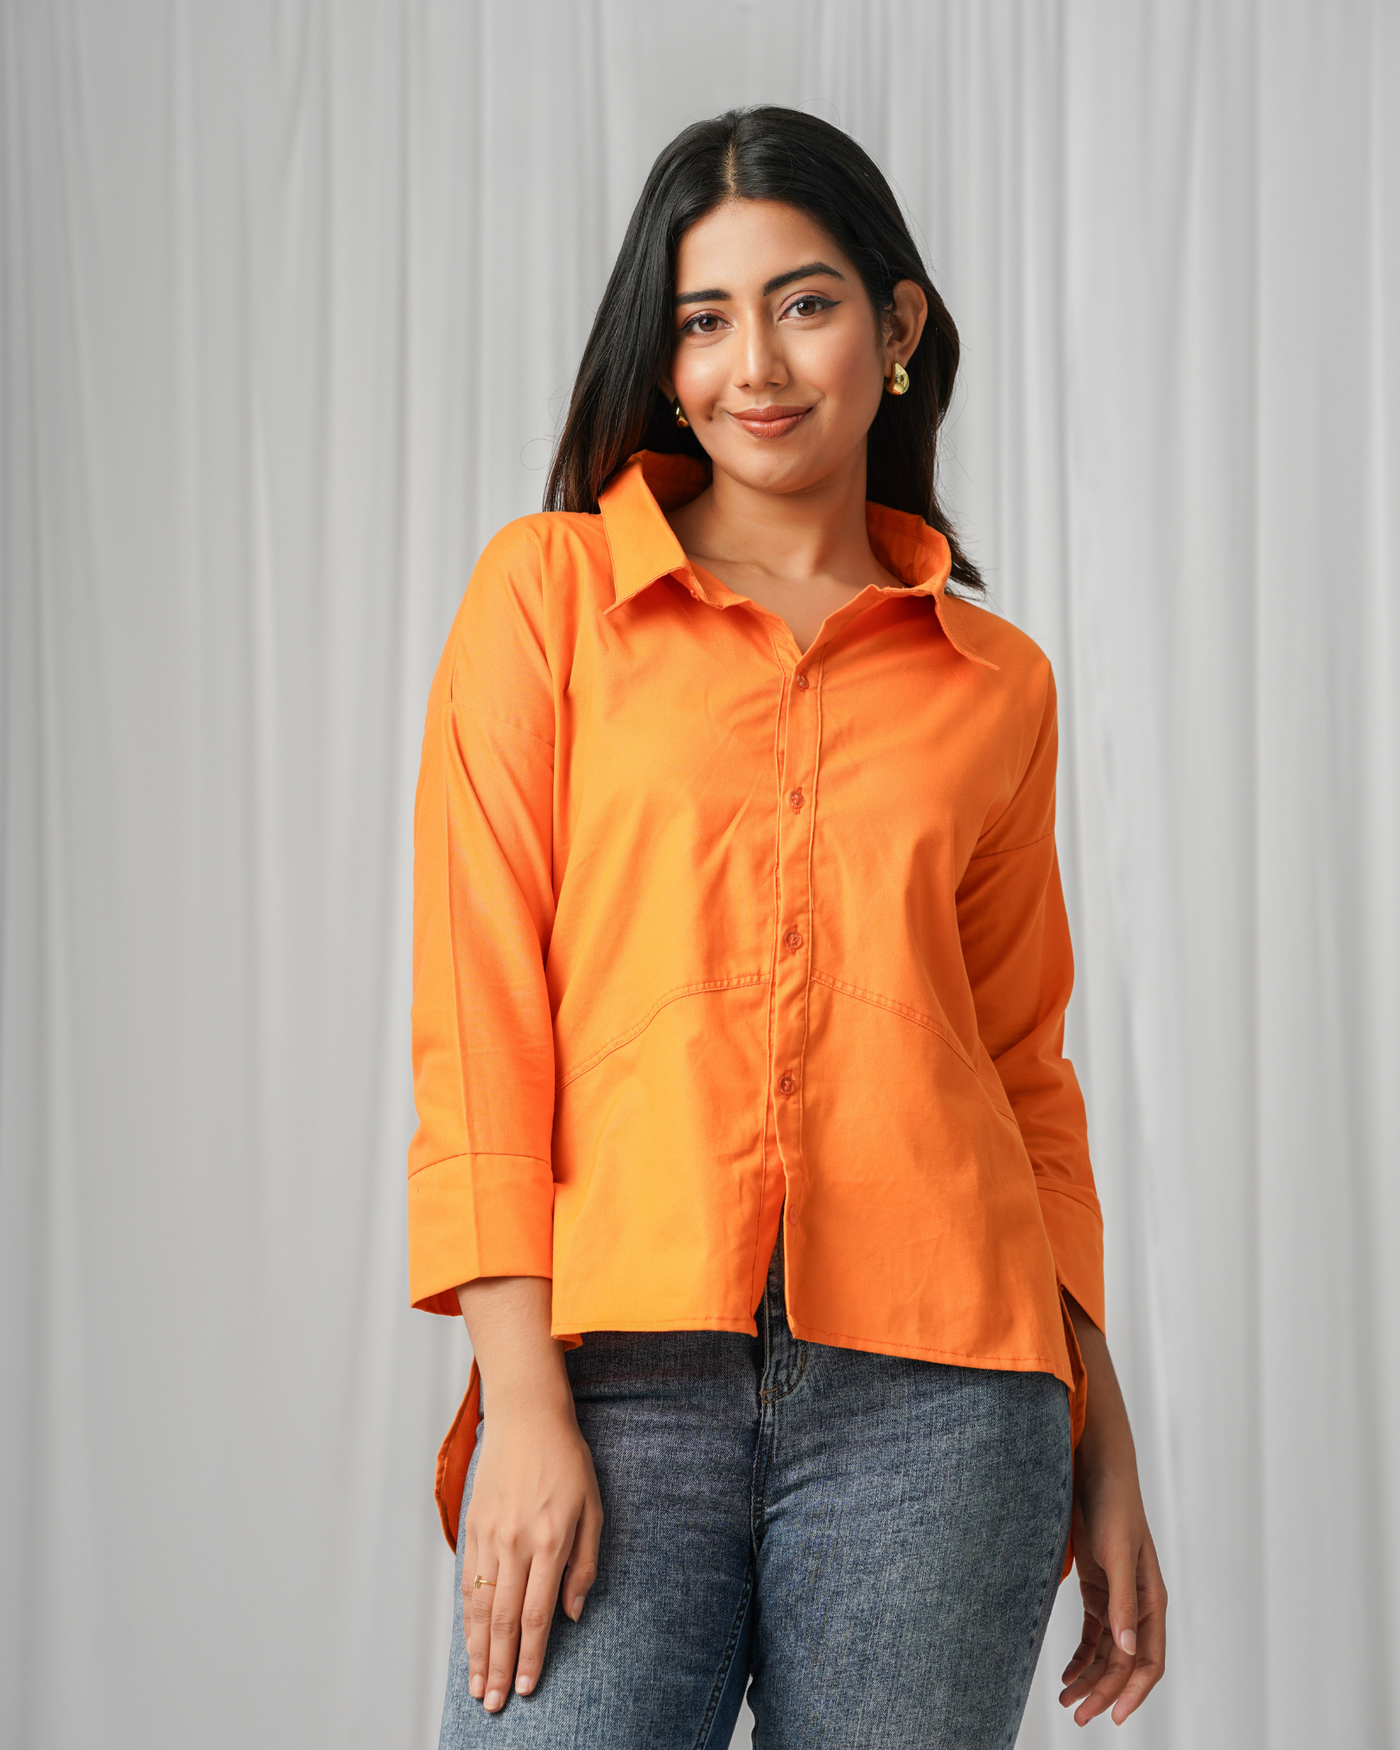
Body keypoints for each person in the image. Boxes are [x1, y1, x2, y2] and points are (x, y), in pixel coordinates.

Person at [408, 105, 1167, 1748]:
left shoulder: (997, 684)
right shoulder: (545, 598)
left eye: (803, 303)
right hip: (614, 1377)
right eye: (704, 318)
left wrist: (1105, 1433)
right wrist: (523, 1398)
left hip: (947, 1405)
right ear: (666, 362)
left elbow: (1024, 1073)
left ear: (896, 327)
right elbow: (479, 1021)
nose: (753, 362)